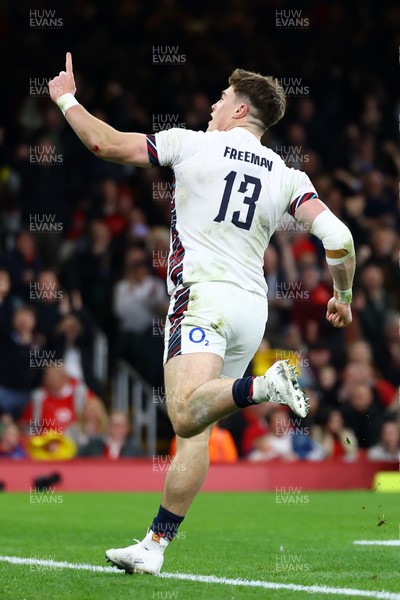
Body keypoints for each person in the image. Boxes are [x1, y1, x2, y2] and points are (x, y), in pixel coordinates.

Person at [49, 54, 356, 575]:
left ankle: (266, 387)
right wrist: (343, 296)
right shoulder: (286, 175)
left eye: (219, 99)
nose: (212, 106)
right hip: (250, 310)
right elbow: (340, 237)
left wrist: (64, 97)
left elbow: (104, 144)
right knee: (196, 431)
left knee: (185, 413)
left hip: (202, 298)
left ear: (238, 110)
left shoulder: (192, 142)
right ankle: (154, 545)